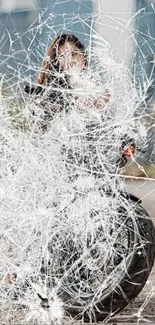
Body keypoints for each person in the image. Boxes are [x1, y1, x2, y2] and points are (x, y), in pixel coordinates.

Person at [24, 34, 110, 121]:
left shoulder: (96, 89)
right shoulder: (52, 97)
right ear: (57, 64)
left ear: (84, 55)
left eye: (74, 54)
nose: (70, 60)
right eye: (63, 57)